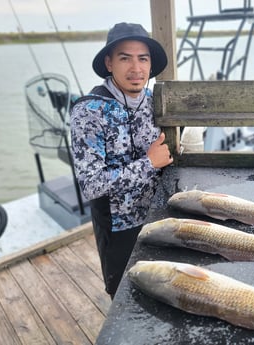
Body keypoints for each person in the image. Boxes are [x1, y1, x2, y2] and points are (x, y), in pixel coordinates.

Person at [69, 22, 173, 299]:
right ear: (109, 63)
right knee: (125, 297)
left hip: (160, 216)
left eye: (143, 58)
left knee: (167, 289)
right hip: (118, 228)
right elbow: (91, 186)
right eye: (125, 58)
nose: (136, 68)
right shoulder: (88, 111)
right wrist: (149, 163)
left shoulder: (155, 101)